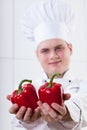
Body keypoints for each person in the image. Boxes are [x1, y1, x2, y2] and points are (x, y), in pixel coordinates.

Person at [7, 0, 87, 130]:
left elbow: (84, 105)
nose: (53, 56)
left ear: (70, 49)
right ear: (37, 55)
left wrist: (66, 112)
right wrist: (28, 122)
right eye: (45, 50)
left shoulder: (84, 84)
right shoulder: (28, 88)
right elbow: (15, 125)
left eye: (59, 48)